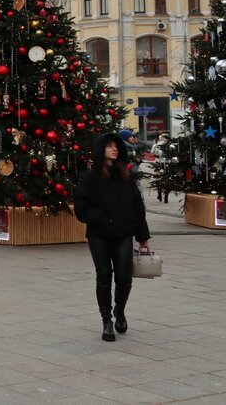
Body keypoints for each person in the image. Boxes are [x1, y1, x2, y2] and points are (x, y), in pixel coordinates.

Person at [74, 132, 151, 342]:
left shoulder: (126, 177)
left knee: (124, 276)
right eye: (109, 146)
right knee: (104, 276)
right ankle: (106, 320)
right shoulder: (89, 178)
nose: (114, 149)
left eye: (116, 146)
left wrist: (143, 236)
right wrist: (98, 217)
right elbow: (81, 208)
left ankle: (120, 309)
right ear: (101, 150)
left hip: (123, 233)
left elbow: (138, 207)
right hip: (99, 234)